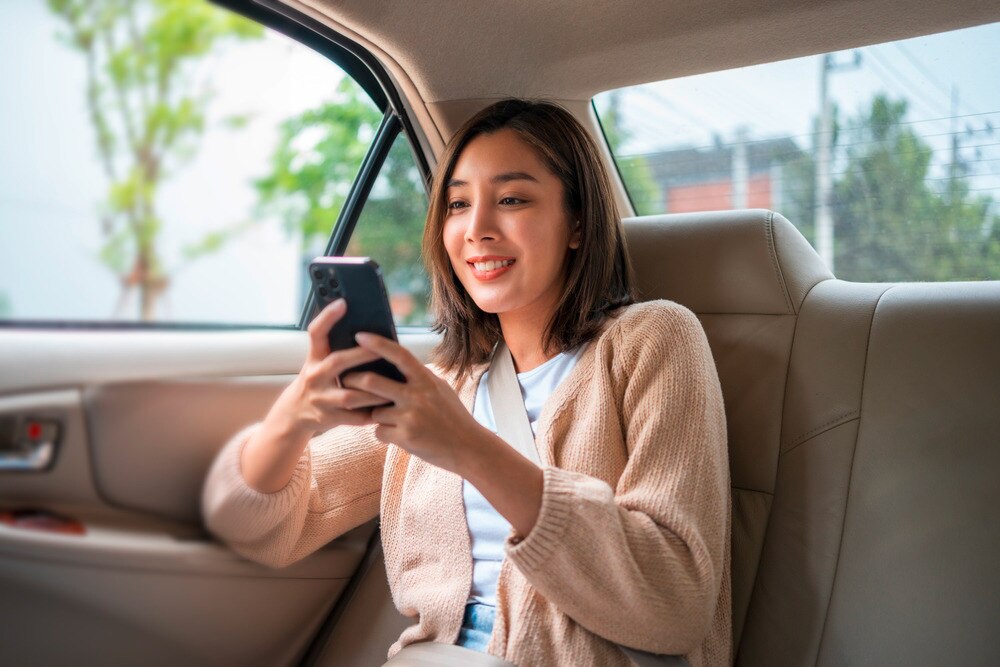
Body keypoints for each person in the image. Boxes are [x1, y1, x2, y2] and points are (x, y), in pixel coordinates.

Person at [201, 99, 730, 666]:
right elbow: (263, 529)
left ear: (577, 223)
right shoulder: (445, 387)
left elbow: (675, 598)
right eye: (457, 204)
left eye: (511, 199)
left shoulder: (653, 340)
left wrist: (469, 448)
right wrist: (296, 415)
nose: (476, 230)